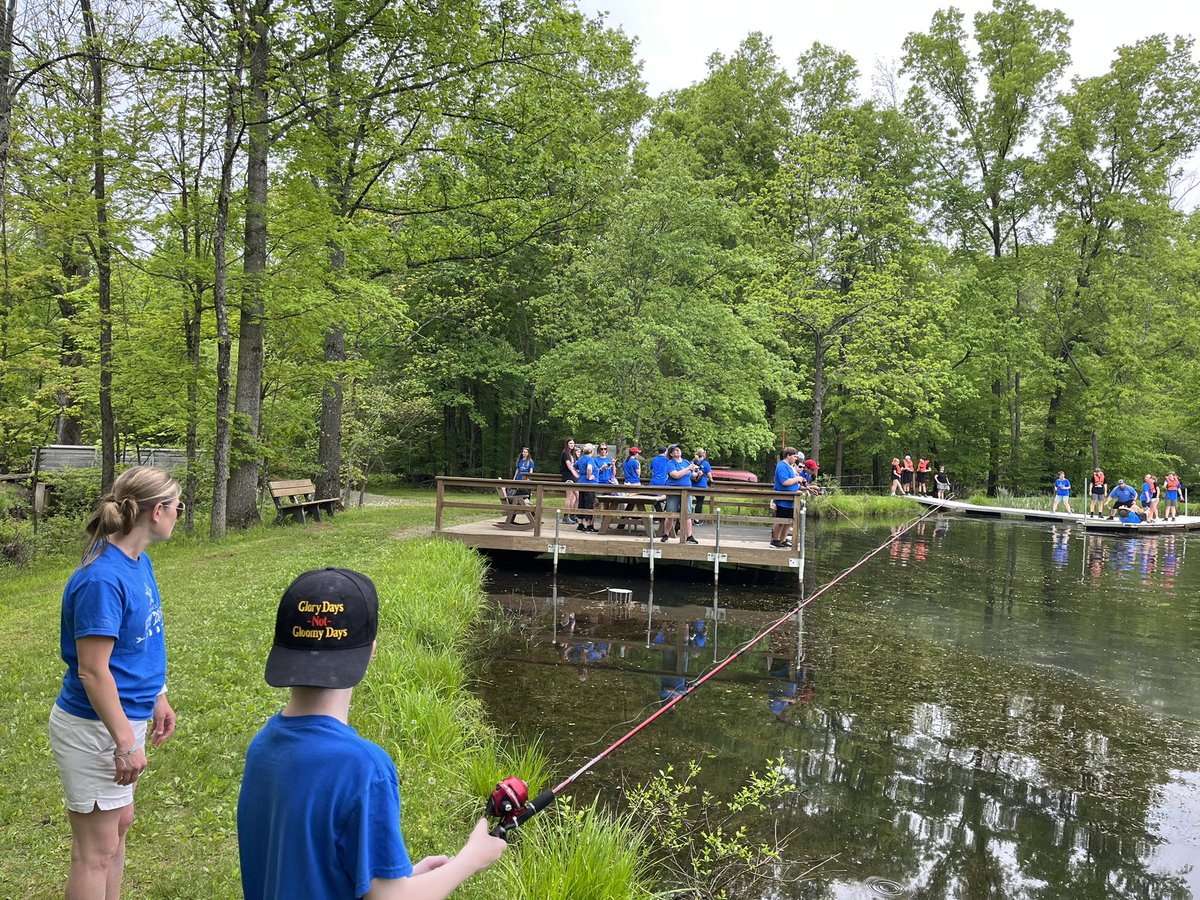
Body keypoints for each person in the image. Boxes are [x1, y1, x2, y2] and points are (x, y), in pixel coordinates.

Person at [238, 568, 505, 899]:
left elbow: (309, 865)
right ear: (370, 651)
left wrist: (399, 878)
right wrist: (469, 860)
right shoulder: (364, 768)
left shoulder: (262, 747)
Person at [49, 466, 180, 900]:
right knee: (95, 850)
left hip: (127, 717)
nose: (180, 512)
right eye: (178, 505)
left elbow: (139, 643)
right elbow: (92, 669)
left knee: (119, 827)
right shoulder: (102, 579)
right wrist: (125, 741)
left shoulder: (137, 562)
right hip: (95, 727)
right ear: (157, 512)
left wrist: (158, 696)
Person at [662, 444, 699, 544]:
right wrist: (688, 468)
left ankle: (689, 536)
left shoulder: (686, 462)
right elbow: (675, 475)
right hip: (674, 490)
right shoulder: (670, 463)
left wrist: (697, 473)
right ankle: (665, 534)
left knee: (687, 514)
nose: (677, 450)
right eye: (675, 450)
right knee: (670, 514)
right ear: (671, 454)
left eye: (678, 449)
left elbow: (691, 475)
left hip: (687, 490)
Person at [771, 447, 803, 548]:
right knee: (781, 521)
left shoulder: (789, 466)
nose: (796, 459)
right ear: (788, 456)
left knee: (789, 521)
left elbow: (792, 481)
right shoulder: (781, 466)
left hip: (791, 500)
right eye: (795, 456)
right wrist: (797, 479)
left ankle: (783, 540)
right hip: (783, 499)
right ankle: (775, 541)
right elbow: (784, 482)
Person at [575, 443, 598, 532]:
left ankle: (580, 525)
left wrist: (578, 475)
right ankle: (589, 525)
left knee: (581, 503)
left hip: (581, 483)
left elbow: (573, 467)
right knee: (589, 504)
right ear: (591, 451)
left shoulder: (580, 459)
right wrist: (589, 476)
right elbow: (589, 468)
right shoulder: (590, 459)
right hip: (589, 485)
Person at [559, 438, 578, 524]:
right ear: (567, 444)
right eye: (570, 443)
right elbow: (569, 466)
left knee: (577, 495)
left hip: (574, 476)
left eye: (573, 443)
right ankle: (565, 516)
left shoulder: (573, 454)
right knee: (569, 496)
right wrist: (575, 474)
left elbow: (577, 464)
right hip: (568, 476)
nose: (572, 445)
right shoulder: (565, 453)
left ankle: (573, 515)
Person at [691, 448, 712, 525]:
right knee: (699, 502)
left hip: (692, 485)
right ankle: (697, 520)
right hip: (701, 486)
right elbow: (709, 475)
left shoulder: (692, 462)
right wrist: (711, 480)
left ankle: (687, 518)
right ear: (704, 454)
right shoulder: (706, 463)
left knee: (689, 501)